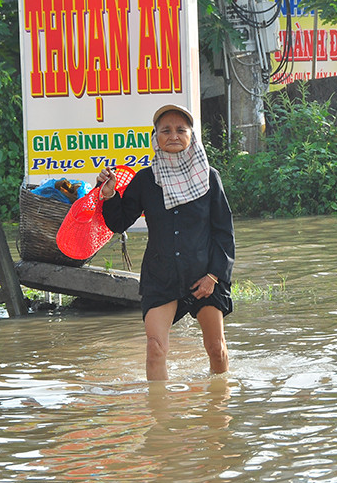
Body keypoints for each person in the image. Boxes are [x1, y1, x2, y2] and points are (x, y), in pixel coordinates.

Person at [96, 104, 235, 381]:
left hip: (204, 276)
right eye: (165, 130)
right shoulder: (146, 180)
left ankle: (219, 411)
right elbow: (119, 222)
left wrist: (213, 276)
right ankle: (160, 420)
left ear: (191, 136)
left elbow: (224, 233)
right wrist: (109, 195)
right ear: (155, 137)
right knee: (155, 349)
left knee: (216, 350)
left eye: (180, 130)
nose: (173, 135)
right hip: (161, 277)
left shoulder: (209, 178)